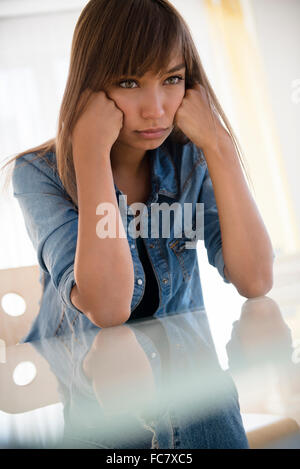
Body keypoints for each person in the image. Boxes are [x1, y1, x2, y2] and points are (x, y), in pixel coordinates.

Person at [2, 0, 274, 342]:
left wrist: (220, 145)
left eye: (172, 79)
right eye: (129, 83)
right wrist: (90, 154)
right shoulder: (39, 173)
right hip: (85, 376)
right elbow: (107, 309)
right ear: (90, 87)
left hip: (185, 375)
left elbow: (256, 280)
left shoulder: (188, 157)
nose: (156, 110)